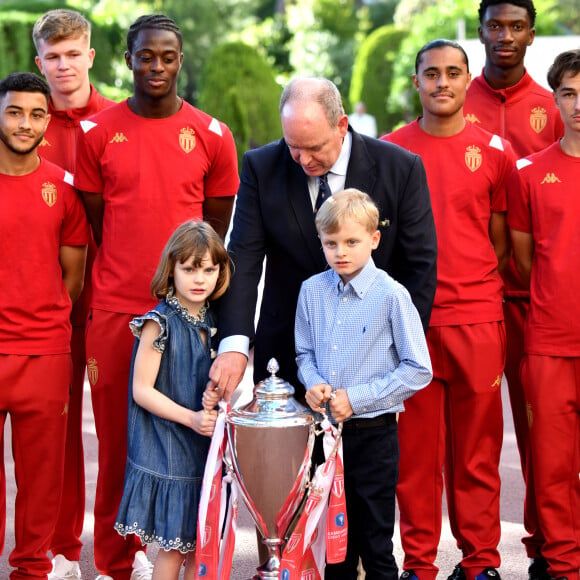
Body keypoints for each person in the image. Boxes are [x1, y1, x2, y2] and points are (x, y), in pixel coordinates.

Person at [74, 14, 239, 580]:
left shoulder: (213, 135)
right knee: (121, 445)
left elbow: (213, 233)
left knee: (188, 442)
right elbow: (98, 222)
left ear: (180, 61)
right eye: (146, 56)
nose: (157, 67)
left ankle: (176, 556)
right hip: (118, 309)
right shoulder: (96, 135)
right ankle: (114, 565)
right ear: (127, 60)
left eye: (167, 57)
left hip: (190, 317)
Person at [208, 76, 437, 407]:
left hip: (371, 367)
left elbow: (419, 268)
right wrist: (234, 345)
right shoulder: (262, 167)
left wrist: (397, 357)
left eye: (314, 148)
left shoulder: (400, 169)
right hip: (284, 359)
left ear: (341, 125)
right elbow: (242, 259)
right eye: (293, 147)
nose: (303, 160)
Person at [383, 39, 514, 580]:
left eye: (453, 73)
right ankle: (418, 565)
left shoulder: (496, 152)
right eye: (431, 73)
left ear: (467, 81)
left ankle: (481, 562)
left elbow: (500, 241)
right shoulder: (388, 150)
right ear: (416, 82)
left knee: (477, 455)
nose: (442, 82)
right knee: (415, 458)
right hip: (410, 325)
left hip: (477, 320)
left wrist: (472, 286)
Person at [464, 4, 564, 574]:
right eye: (495, 26)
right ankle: (477, 558)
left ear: (531, 33)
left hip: (536, 301)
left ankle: (548, 549)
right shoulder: (455, 95)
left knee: (540, 435)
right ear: (481, 30)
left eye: (516, 26)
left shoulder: (551, 109)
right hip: (470, 297)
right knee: (474, 436)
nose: (505, 36)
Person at [296, 189, 432, 579]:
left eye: (352, 242)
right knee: (334, 547)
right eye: (331, 243)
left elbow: (418, 368)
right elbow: (304, 354)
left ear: (373, 240)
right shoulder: (311, 292)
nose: (341, 251)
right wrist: (314, 383)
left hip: (374, 437)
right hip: (323, 438)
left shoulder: (392, 296)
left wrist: (356, 399)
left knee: (374, 544)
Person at [32, 10, 115, 579]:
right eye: (52, 57)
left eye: (72, 54)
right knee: (53, 437)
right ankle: (59, 551)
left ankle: (125, 554)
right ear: (40, 62)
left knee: (120, 433)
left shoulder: (117, 121)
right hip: (46, 308)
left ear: (90, 56)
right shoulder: (22, 121)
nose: (63, 66)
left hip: (110, 302)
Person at [0, 72, 89, 578]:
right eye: (14, 111)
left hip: (44, 353)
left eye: (37, 114)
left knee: (41, 485)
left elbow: (71, 279)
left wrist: (40, 316)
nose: (26, 123)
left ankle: (31, 572)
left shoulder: (63, 187)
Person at [114, 221, 227, 580]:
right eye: (190, 268)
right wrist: (191, 418)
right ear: (171, 268)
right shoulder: (158, 322)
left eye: (209, 269)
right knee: (175, 545)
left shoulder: (214, 318)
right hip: (167, 444)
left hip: (203, 448)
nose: (200, 278)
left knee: (201, 542)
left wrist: (215, 397)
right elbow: (141, 389)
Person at [507, 48, 580, 580]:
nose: (579, 104)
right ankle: (563, 565)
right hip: (550, 340)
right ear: (554, 100)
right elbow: (526, 257)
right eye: (570, 93)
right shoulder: (530, 172)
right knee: (552, 468)